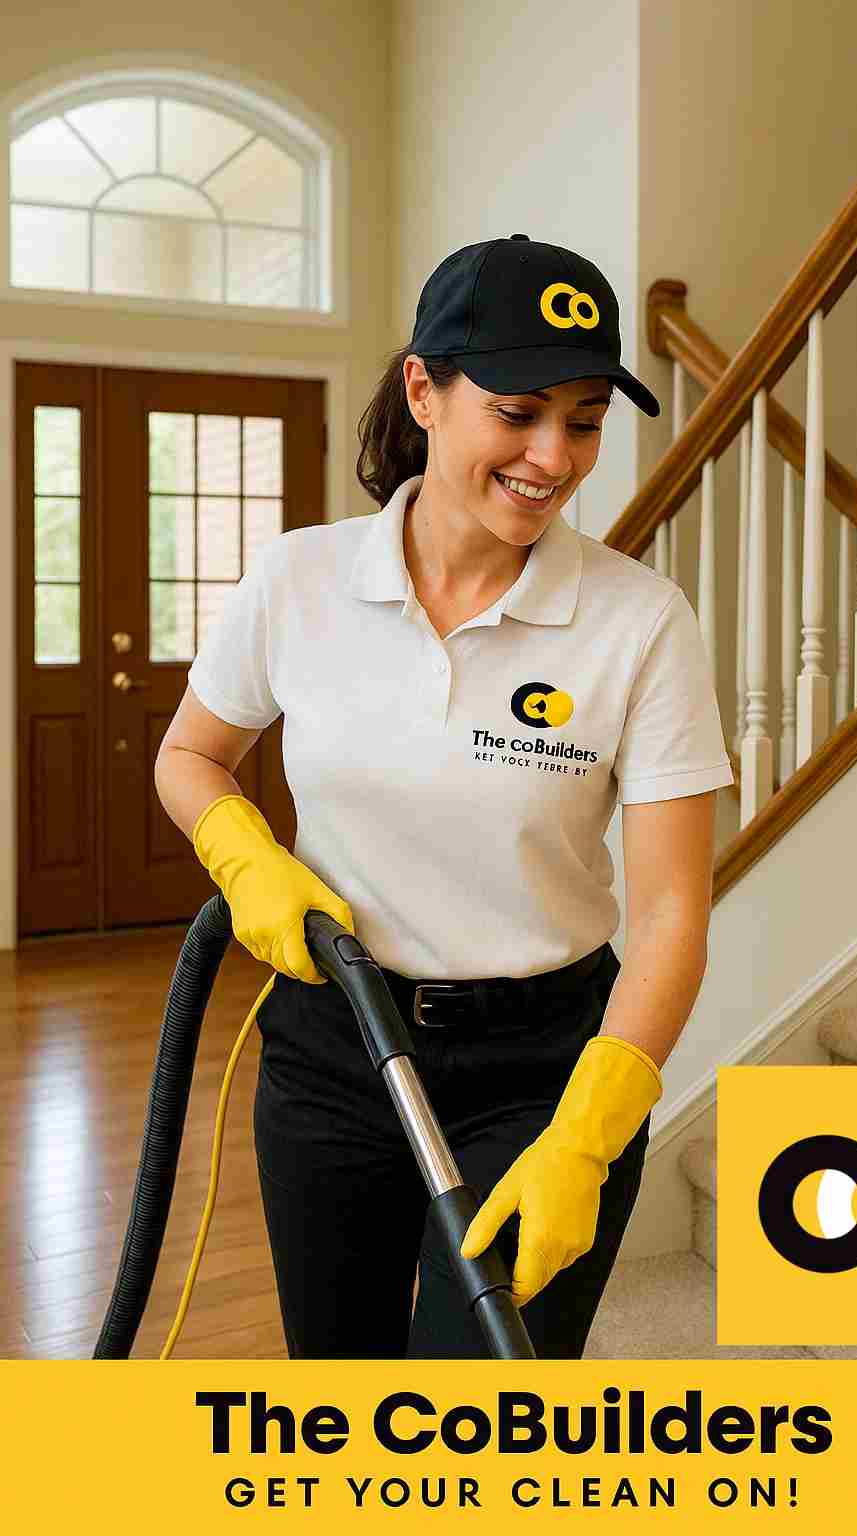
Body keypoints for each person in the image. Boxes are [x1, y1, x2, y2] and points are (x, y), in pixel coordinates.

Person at [154, 233, 735, 1360]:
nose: (553, 456)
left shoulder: (639, 621)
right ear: (424, 390)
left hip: (546, 1071)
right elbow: (192, 754)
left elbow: (671, 916)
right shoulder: (299, 581)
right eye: (518, 413)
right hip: (334, 1050)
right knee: (341, 1381)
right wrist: (244, 855)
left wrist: (588, 1135)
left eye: (582, 419)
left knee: (486, 1416)